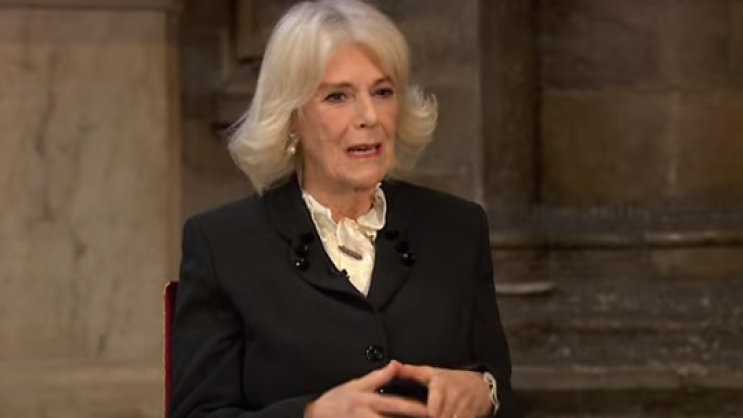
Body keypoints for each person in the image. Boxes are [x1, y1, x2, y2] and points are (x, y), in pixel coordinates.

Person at [169, 0, 522, 417]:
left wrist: (485, 392)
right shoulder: (224, 246)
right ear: (291, 117)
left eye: (382, 92)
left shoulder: (458, 229)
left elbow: (498, 384)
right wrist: (311, 414)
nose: (369, 116)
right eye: (338, 96)